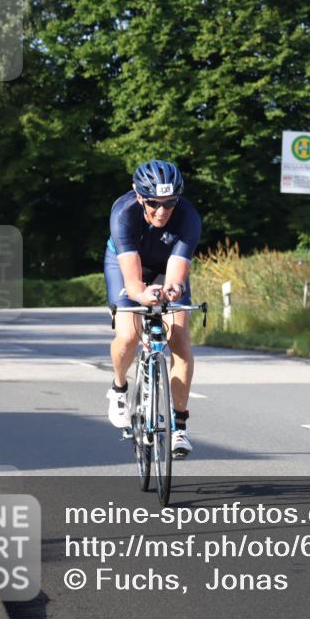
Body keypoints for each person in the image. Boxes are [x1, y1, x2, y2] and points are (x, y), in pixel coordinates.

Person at [104, 160, 201, 458]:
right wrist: (143, 295)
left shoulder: (188, 217)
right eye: (153, 203)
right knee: (129, 335)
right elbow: (133, 283)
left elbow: (175, 273)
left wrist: (173, 289)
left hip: (164, 267)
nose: (162, 211)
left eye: (170, 203)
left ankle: (179, 427)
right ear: (138, 195)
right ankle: (119, 388)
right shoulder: (123, 213)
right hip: (125, 266)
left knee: (181, 341)